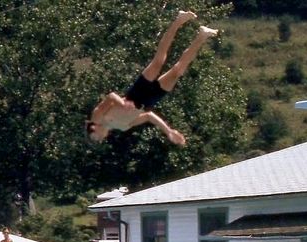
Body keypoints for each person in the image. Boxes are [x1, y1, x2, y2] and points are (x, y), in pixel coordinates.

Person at [86, 11, 218, 146]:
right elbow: (148, 116)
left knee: (159, 60)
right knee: (177, 72)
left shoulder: (97, 118)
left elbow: (111, 96)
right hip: (148, 100)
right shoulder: (123, 127)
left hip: (135, 94)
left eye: (95, 138)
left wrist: (122, 103)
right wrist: (169, 131)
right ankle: (202, 36)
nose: (99, 139)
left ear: (93, 129)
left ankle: (179, 20)